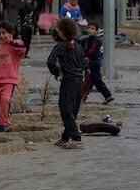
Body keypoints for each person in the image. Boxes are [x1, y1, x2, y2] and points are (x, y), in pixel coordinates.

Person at [47, 18, 87, 148]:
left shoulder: (60, 46)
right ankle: (65, 138)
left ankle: (76, 138)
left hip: (68, 80)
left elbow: (50, 61)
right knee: (73, 109)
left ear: (63, 32)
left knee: (65, 109)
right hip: (79, 80)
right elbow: (85, 62)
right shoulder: (78, 46)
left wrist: (57, 73)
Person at [0, 22, 26, 132]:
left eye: (4, 33)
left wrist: (11, 41)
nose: (1, 36)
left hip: (9, 81)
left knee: (5, 100)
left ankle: (4, 123)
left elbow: (22, 49)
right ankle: (2, 122)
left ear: (11, 33)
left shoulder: (16, 45)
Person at [81, 23, 114, 104]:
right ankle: (107, 96)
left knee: (89, 80)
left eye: (92, 28)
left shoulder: (95, 40)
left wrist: (85, 55)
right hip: (92, 63)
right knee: (94, 80)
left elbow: (91, 51)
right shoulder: (88, 39)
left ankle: (82, 96)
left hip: (93, 63)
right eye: (88, 28)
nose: (89, 30)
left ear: (96, 31)